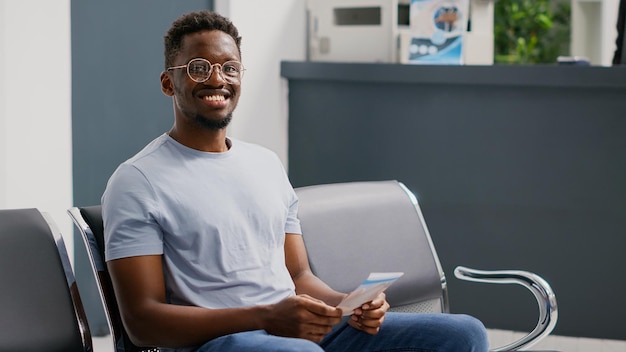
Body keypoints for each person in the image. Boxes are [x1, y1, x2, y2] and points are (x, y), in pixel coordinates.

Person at [101, 10, 490, 352]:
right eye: (199, 68)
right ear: (169, 83)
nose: (217, 78)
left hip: (294, 330)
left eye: (229, 67)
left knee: (463, 334)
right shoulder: (137, 181)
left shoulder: (265, 163)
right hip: (222, 340)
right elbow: (142, 323)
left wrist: (349, 306)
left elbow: (299, 277)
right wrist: (266, 318)